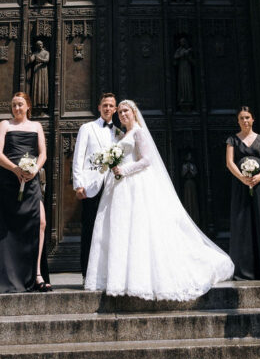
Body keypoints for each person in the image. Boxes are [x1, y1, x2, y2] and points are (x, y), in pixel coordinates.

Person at [85, 99, 234, 300]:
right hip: (120, 185)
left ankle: (139, 279)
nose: (122, 114)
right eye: (120, 112)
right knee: (120, 230)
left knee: (137, 230)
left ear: (134, 112)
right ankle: (119, 278)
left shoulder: (138, 131)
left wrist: (124, 169)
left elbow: (147, 160)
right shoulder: (122, 134)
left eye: (125, 110)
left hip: (134, 183)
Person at [0, 91, 51, 292]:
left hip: (31, 179)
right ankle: (12, 278)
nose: (17, 108)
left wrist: (34, 169)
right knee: (12, 229)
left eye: (20, 104)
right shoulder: (5, 125)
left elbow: (42, 153)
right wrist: (16, 169)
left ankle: (36, 273)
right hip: (10, 180)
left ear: (28, 106)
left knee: (40, 222)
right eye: (14, 105)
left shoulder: (36, 126)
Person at [72, 93, 119, 279]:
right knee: (89, 231)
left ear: (115, 110)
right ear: (99, 107)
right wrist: (78, 184)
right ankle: (87, 274)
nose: (108, 108)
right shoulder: (87, 128)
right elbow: (78, 157)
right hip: (90, 187)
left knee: (108, 231)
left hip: (111, 188)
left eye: (111, 106)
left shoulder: (118, 133)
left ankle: (106, 274)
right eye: (105, 105)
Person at [225, 106, 260, 280]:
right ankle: (244, 269)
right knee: (243, 222)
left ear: (253, 119)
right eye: (241, 118)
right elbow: (230, 162)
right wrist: (242, 178)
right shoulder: (233, 140)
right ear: (238, 121)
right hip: (241, 187)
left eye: (247, 117)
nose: (245, 121)